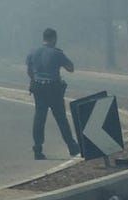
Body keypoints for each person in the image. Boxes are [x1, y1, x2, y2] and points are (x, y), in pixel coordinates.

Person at [26, 27, 80, 160]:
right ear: (54, 39)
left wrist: (35, 79)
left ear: (43, 38)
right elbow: (71, 68)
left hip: (38, 87)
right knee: (61, 118)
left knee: (39, 118)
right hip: (53, 89)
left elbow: (29, 71)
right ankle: (72, 147)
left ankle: (37, 149)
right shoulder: (57, 53)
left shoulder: (33, 52)